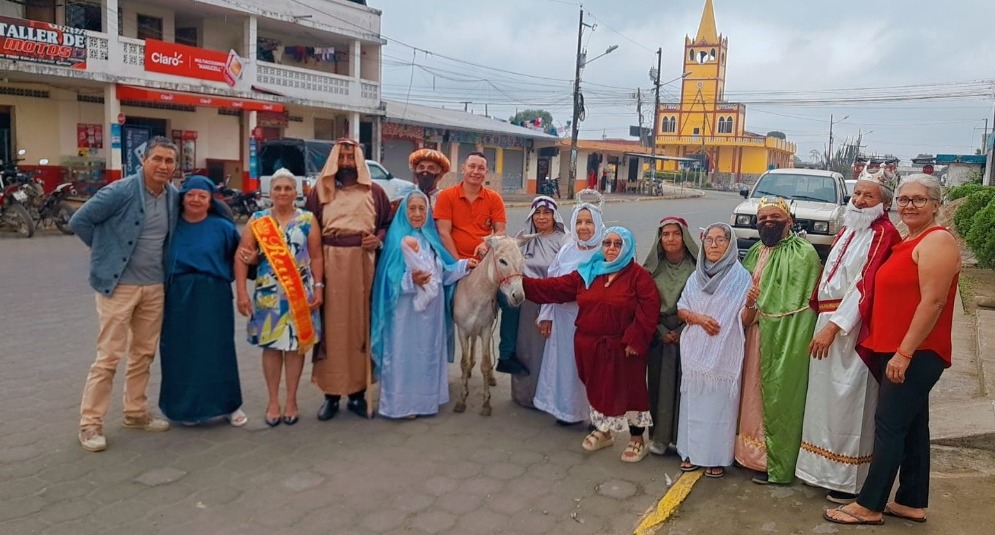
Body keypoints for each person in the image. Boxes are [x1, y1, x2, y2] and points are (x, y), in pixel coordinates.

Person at [823, 174, 960, 526]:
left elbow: (933, 302)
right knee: (913, 426)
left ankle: (869, 505)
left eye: (919, 199)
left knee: (889, 426)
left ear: (936, 205)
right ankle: (911, 501)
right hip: (897, 348)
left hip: (916, 351)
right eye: (904, 199)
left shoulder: (937, 240)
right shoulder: (909, 239)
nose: (909, 206)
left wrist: (905, 352)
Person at [796, 171, 901, 503]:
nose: (859, 201)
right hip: (827, 319)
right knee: (823, 401)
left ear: (884, 203)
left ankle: (846, 481)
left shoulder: (883, 234)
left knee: (849, 401)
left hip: (852, 327)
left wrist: (834, 327)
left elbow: (865, 284)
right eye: (857, 194)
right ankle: (819, 471)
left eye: (868, 196)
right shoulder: (849, 228)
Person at [69, 137, 179, 452]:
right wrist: (103, 250)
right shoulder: (120, 190)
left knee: (143, 353)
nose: (163, 166)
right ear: (143, 160)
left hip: (154, 286)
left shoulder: (173, 196)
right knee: (109, 356)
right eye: (157, 159)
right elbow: (80, 220)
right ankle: (90, 423)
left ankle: (135, 412)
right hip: (119, 286)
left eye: (169, 161)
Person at [522, 227, 661, 463]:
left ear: (627, 247)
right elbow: (556, 287)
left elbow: (649, 309)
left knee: (631, 390)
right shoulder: (589, 272)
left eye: (618, 244)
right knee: (597, 388)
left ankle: (637, 439)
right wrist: (521, 283)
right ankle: (604, 431)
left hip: (623, 348)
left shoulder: (638, 276)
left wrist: (635, 339)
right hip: (590, 344)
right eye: (607, 243)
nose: (611, 248)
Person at [735, 196, 822, 484]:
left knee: (777, 397)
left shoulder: (803, 253)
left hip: (785, 337)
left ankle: (773, 462)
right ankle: (749, 455)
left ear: (789, 221)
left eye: (775, 217)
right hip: (755, 333)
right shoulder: (754, 251)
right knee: (751, 395)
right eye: (762, 218)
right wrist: (749, 307)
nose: (768, 222)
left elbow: (802, 304)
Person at [305, 138, 392, 420]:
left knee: (359, 327)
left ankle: (357, 394)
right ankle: (331, 395)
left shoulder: (374, 192)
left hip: (362, 266)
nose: (346, 163)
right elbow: (308, 228)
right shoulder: (320, 191)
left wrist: (377, 239)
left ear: (358, 160)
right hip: (330, 266)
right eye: (341, 157)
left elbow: (387, 224)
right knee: (332, 330)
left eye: (350, 157)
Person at [371, 191, 474, 419]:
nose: (417, 214)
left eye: (422, 209)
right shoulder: (396, 241)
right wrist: (410, 280)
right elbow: (388, 279)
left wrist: (464, 266)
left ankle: (426, 401)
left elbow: (443, 273)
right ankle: (402, 404)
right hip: (404, 315)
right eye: (412, 208)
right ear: (404, 212)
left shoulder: (431, 239)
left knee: (426, 354)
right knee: (404, 356)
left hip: (431, 316)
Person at [235, 168, 323, 427]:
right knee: (272, 348)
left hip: (300, 293)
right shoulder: (258, 220)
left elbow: (317, 256)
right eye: (278, 188)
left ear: (296, 193)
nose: (283, 192)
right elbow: (242, 256)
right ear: (270, 192)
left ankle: (292, 400)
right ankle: (273, 401)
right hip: (269, 294)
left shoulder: (307, 219)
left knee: (296, 347)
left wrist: (319, 287)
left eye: (288, 188)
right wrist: (241, 292)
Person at [158, 176, 244, 427]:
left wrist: (250, 260)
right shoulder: (170, 226)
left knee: (218, 349)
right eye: (191, 195)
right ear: (182, 198)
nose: (196, 200)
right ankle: (185, 408)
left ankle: (229, 405)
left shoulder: (223, 227)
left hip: (214, 294)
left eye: (202, 196)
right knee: (180, 351)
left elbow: (240, 258)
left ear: (210, 201)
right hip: (178, 295)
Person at [675, 223, 753, 478]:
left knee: (719, 409)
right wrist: (699, 319)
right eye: (709, 239)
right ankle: (690, 452)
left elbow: (745, 319)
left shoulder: (741, 278)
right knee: (693, 407)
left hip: (723, 354)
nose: (714, 245)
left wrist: (752, 303)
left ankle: (715, 458)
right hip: (695, 352)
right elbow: (682, 308)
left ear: (730, 245)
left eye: (721, 240)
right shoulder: (695, 277)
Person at [434, 152, 523, 375]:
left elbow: (500, 230)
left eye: (481, 168)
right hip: (454, 263)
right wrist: (459, 263)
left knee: (511, 302)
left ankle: (505, 355)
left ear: (486, 172)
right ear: (463, 168)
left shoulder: (494, 198)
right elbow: (444, 232)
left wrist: (485, 244)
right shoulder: (447, 196)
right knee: (439, 304)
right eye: (472, 166)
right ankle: (436, 361)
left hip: (486, 265)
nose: (476, 172)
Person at [532, 202, 606, 425]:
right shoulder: (566, 251)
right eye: (579, 222)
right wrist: (546, 315)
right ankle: (567, 411)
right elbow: (552, 282)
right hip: (563, 320)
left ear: (598, 224)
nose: (583, 227)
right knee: (565, 366)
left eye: (589, 222)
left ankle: (596, 418)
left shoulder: (605, 251)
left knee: (592, 367)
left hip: (592, 321)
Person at [642, 217, 698, 456]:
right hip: (658, 334)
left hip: (690, 333)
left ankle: (684, 438)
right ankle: (660, 436)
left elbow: (704, 301)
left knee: (686, 388)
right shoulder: (652, 269)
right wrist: (661, 331)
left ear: (685, 238)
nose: (671, 239)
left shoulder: (697, 268)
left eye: (676, 233)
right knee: (659, 387)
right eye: (665, 234)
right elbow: (642, 303)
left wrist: (682, 330)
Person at [511, 196, 567, 408]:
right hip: (527, 302)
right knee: (526, 349)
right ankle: (525, 395)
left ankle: (548, 397)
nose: (542, 217)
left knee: (550, 350)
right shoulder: (523, 239)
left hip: (553, 302)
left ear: (554, 216)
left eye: (547, 213)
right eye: (537, 213)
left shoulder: (564, 241)